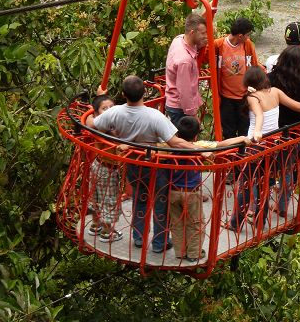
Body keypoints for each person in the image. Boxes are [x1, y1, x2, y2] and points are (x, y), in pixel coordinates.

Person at [89, 76, 202, 254]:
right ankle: (159, 243)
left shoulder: (115, 112)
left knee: (140, 199)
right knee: (160, 202)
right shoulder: (154, 116)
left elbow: (91, 124)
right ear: (144, 93)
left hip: (133, 164)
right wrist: (199, 149)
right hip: (154, 166)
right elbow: (175, 142)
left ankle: (139, 238)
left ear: (124, 94)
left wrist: (91, 109)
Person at [223, 67, 300, 231]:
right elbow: (297, 105)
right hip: (273, 145)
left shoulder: (253, 97)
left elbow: (259, 114)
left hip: (256, 146)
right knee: (265, 184)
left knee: (246, 185)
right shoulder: (275, 92)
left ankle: (235, 223)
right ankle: (259, 222)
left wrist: (257, 132)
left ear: (248, 82)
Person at [168, 116, 250, 263]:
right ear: (196, 135)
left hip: (172, 191)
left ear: (177, 133)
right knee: (196, 223)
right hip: (191, 192)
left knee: (176, 223)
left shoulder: (169, 145)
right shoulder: (199, 146)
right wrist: (242, 138)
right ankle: (194, 253)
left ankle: (180, 252)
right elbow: (222, 144)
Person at [267, 45, 300, 217]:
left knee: (268, 168)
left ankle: (260, 204)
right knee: (288, 169)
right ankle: (282, 206)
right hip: (298, 130)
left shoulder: (272, 78)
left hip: (274, 130)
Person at [213, 17, 260, 139]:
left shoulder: (247, 45)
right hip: (226, 98)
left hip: (244, 96)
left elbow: (254, 64)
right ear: (240, 36)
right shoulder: (218, 45)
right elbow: (204, 56)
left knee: (245, 130)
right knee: (229, 132)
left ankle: (243, 151)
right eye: (247, 35)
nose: (248, 38)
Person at [85, 94, 123, 243]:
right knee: (109, 199)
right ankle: (107, 232)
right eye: (104, 108)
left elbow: (91, 120)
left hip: (97, 165)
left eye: (112, 107)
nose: (109, 110)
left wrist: (91, 111)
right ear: (97, 113)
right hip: (108, 169)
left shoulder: (96, 124)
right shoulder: (107, 128)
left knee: (95, 196)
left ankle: (96, 225)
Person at [165, 13, 209, 128]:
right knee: (184, 139)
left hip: (177, 105)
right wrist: (192, 115)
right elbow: (184, 91)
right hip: (180, 109)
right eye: (203, 33)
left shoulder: (179, 39)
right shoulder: (184, 60)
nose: (206, 36)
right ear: (192, 33)